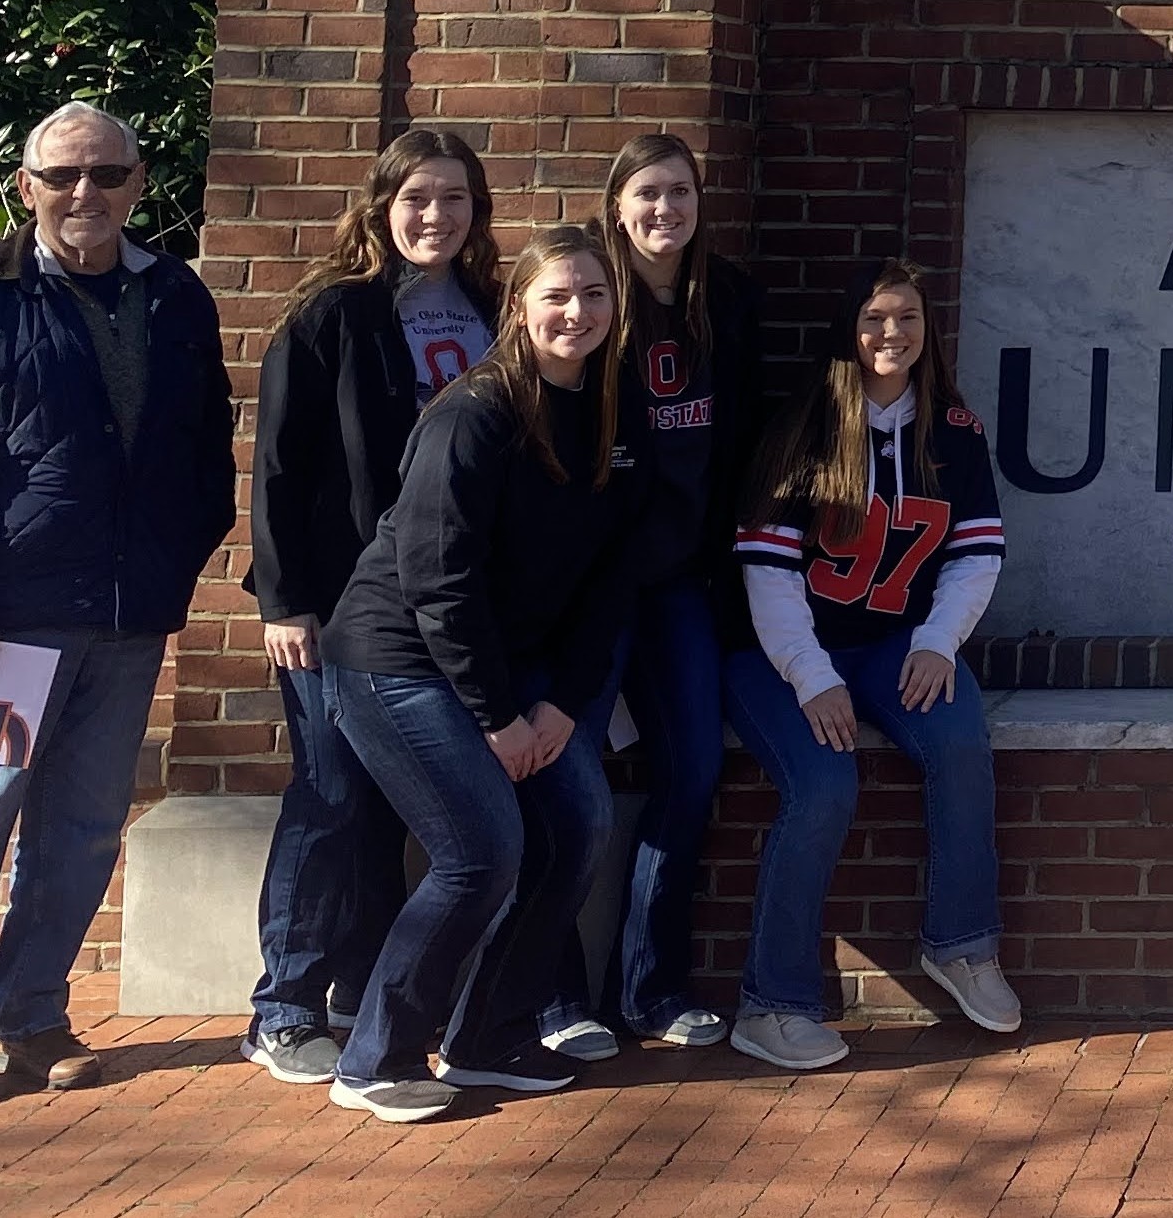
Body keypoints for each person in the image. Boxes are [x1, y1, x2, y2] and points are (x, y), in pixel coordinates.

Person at [0, 102, 237, 1130]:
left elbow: (208, 450)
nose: (86, 193)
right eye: (64, 174)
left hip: (125, 626)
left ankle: (32, 1019)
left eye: (107, 173)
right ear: (25, 185)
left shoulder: (174, 298)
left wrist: (169, 573)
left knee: (78, 836)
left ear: (139, 181)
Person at [316, 227, 665, 1122]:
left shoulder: (618, 421)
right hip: (396, 660)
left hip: (520, 675)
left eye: (594, 294)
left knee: (577, 826)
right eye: (556, 295)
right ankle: (376, 1056)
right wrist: (501, 716)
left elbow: (610, 584)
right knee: (480, 852)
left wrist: (558, 706)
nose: (577, 312)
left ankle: (486, 1038)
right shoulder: (475, 415)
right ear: (519, 308)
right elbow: (440, 580)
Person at [243, 130, 507, 1087]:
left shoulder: (490, 312)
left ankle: (356, 986)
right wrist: (286, 600)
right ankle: (283, 1005)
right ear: (382, 204)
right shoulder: (333, 314)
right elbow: (277, 466)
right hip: (329, 606)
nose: (435, 216)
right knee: (330, 796)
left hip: (430, 607)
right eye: (418, 198)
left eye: (455, 199)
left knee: (392, 804)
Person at [721, 263, 1019, 1068]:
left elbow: (976, 552)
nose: (893, 335)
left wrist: (937, 641)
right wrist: (812, 677)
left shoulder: (953, 430)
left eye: (909, 319)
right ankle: (770, 1004)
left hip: (893, 648)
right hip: (775, 657)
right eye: (875, 319)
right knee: (824, 785)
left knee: (959, 741)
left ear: (929, 330)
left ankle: (960, 942)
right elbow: (769, 571)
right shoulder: (802, 425)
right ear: (847, 331)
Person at [540, 134, 766, 1058]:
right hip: (589, 587)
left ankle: (650, 987)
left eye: (679, 192)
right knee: (565, 782)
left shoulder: (732, 303)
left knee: (693, 776)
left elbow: (747, 444)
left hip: (682, 582)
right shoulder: (591, 304)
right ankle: (552, 997)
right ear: (616, 204)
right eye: (646, 194)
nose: (664, 210)